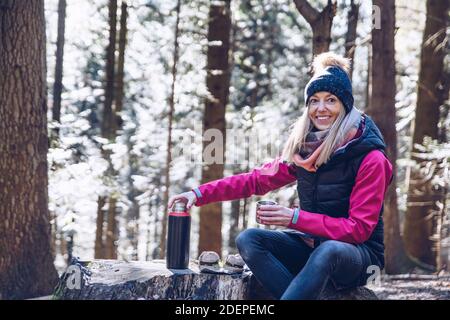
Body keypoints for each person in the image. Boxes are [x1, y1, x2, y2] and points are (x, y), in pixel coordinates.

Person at [168, 52, 393, 300]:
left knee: (328, 251)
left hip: (358, 256)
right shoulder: (306, 150)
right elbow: (255, 180)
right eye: (314, 101)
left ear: (345, 105)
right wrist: (198, 194)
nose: (321, 109)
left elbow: (358, 230)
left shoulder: (371, 159)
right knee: (249, 240)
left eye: (331, 100)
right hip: (312, 246)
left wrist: (295, 218)